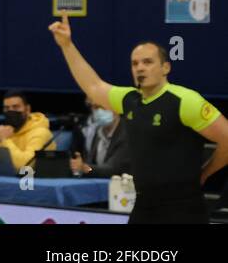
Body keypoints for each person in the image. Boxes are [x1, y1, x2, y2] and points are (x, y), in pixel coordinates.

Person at [49, 16, 228, 223]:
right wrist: (67, 45)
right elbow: (93, 86)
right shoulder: (129, 100)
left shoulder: (185, 101)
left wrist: (206, 172)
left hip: (183, 207)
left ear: (166, 68)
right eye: (135, 63)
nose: (140, 68)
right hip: (143, 204)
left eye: (148, 62)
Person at [0, 89, 53, 170]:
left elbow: (25, 166)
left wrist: (5, 140)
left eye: (16, 107)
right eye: (7, 108)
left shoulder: (40, 132)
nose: (11, 111)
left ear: (27, 109)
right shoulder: (7, 130)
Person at [72, 99, 129, 178]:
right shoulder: (98, 131)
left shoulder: (126, 134)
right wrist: (80, 167)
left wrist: (84, 168)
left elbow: (112, 169)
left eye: (102, 107)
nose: (98, 111)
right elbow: (91, 163)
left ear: (116, 109)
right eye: (95, 107)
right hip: (99, 182)